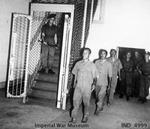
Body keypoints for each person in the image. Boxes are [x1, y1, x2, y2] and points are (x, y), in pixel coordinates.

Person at [70, 48, 98, 123]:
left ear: (89, 54)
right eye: (83, 52)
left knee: (86, 103)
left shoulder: (92, 65)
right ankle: (74, 117)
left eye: (86, 53)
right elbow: (75, 74)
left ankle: (85, 116)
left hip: (87, 87)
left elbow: (95, 76)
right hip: (78, 86)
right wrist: (73, 83)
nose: (84, 54)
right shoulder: (78, 63)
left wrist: (94, 84)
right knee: (75, 102)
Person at [94, 49, 112, 115]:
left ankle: (98, 109)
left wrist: (109, 85)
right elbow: (94, 73)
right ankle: (101, 105)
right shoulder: (96, 62)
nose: (102, 55)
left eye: (104, 53)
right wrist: (93, 82)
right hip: (97, 83)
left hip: (104, 83)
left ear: (106, 55)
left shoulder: (108, 64)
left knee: (100, 96)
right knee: (97, 96)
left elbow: (110, 75)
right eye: (101, 53)